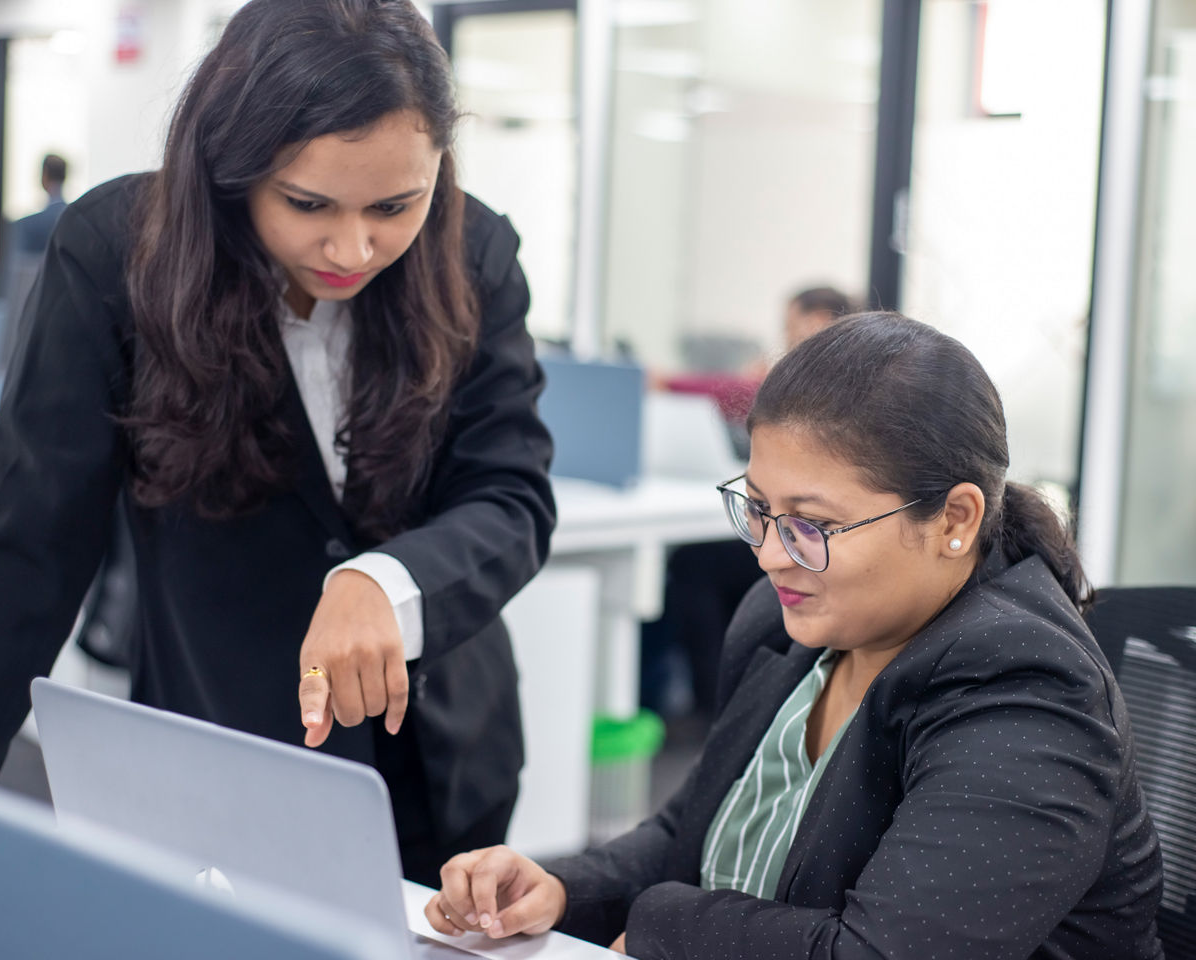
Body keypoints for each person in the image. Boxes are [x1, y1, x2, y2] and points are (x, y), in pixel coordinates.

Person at [0, 0, 555, 887]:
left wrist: (386, 581)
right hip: (221, 753)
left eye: (394, 205)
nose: (353, 246)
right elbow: (31, 551)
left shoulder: (474, 251)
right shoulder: (117, 258)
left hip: (442, 759)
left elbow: (512, 497)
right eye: (307, 203)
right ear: (232, 165)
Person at [424, 312, 1164, 958]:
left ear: (955, 520)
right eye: (758, 509)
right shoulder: (791, 625)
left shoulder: (1026, 692)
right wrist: (561, 888)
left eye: (815, 525)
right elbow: (698, 826)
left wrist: (662, 923)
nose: (772, 552)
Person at [640, 284, 856, 723]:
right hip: (800, 531)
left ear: (817, 324)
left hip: (815, 541)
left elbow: (733, 390)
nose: (788, 340)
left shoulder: (829, 387)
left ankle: (713, 706)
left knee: (694, 567)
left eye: (794, 329)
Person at [0, 153, 70, 365]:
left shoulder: (27, 226)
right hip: (63, 320)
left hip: (31, 316)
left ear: (44, 176)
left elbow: (17, 283)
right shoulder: (76, 220)